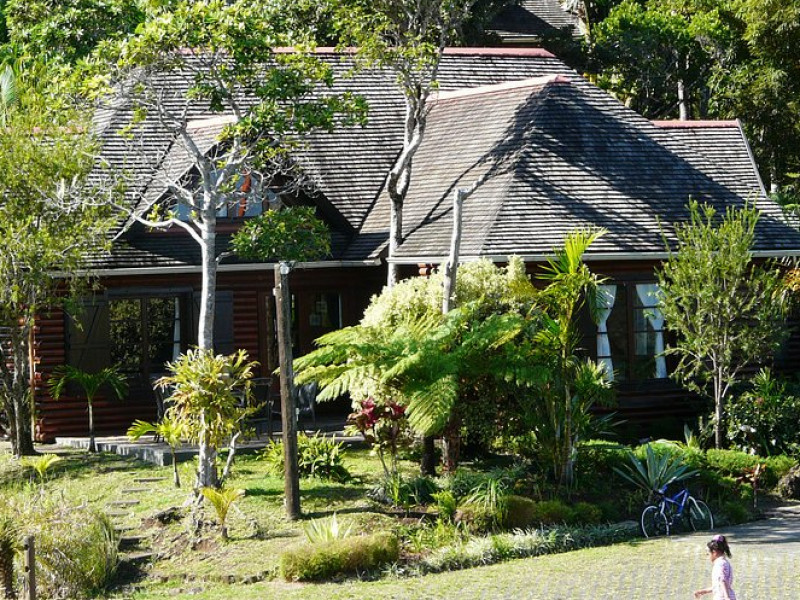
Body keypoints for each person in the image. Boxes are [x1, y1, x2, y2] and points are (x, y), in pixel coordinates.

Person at [694, 534, 736, 600]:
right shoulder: (725, 563)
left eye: (708, 553)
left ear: (714, 552)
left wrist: (727, 597)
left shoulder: (720, 564)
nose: (708, 556)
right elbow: (718, 585)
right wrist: (703, 591)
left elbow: (722, 580)